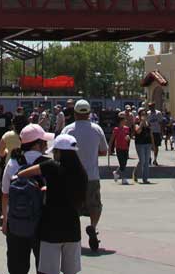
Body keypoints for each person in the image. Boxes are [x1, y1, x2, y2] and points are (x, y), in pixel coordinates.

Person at [17, 132, 88, 274]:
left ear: (59, 152)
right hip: (72, 228)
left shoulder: (51, 166)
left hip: (51, 227)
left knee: (49, 271)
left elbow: (22, 174)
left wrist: (43, 187)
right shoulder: (82, 173)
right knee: (71, 271)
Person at [2, 123, 54, 274]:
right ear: (37, 144)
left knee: (17, 267)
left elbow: (5, 194)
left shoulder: (13, 163)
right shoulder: (48, 164)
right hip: (42, 223)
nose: (46, 144)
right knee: (44, 267)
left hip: (17, 221)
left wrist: (6, 220)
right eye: (43, 141)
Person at [63, 99, 108, 252]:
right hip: (92, 175)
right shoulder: (97, 129)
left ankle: (74, 236)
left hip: (71, 177)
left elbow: (59, 152)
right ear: (89, 114)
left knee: (72, 207)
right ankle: (92, 226)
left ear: (75, 113)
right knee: (95, 205)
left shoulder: (68, 130)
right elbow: (104, 150)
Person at [109, 112, 131, 184]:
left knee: (124, 164)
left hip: (126, 148)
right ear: (121, 121)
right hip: (119, 148)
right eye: (124, 120)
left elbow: (128, 137)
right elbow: (112, 139)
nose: (125, 121)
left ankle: (116, 173)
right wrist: (109, 148)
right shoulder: (116, 129)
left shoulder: (127, 128)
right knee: (122, 164)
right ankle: (124, 178)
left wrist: (128, 138)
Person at [132, 108, 153, 183]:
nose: (144, 116)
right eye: (142, 114)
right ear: (139, 115)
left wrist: (153, 144)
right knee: (142, 160)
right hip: (140, 144)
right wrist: (142, 123)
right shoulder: (137, 123)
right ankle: (136, 173)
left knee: (147, 161)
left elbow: (151, 133)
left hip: (148, 143)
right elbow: (138, 131)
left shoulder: (148, 123)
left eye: (145, 114)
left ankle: (145, 179)